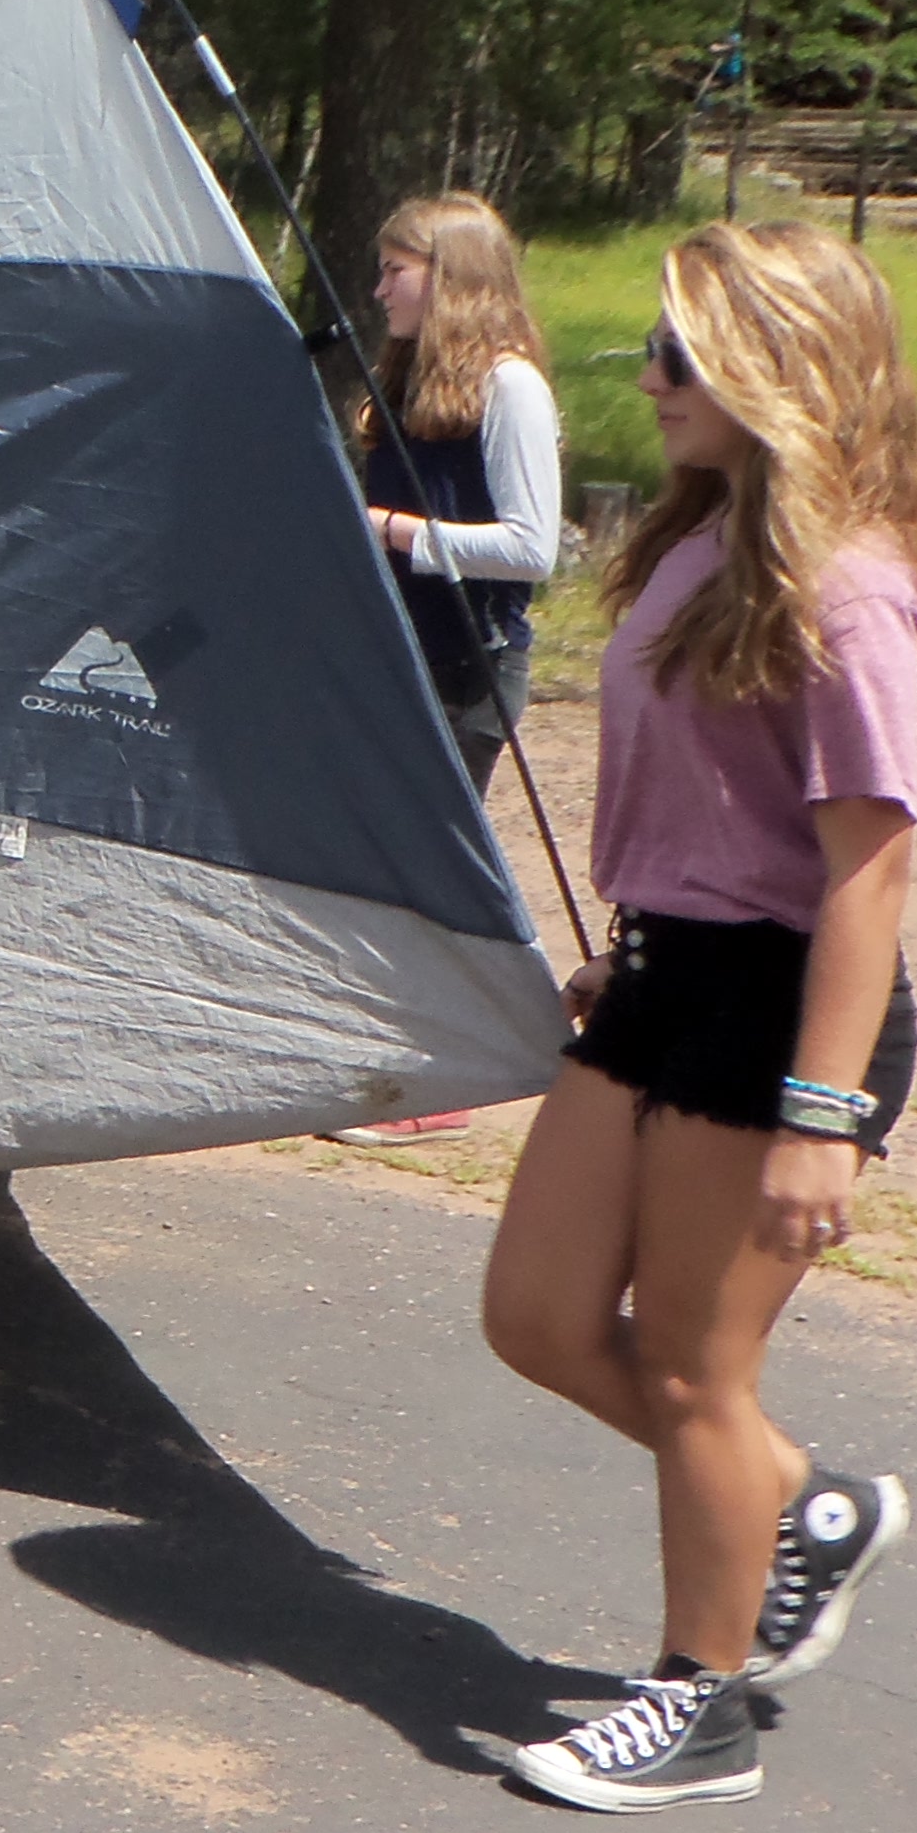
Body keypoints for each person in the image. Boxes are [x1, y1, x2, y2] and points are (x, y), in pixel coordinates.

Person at [478, 219, 917, 1810]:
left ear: (778, 363)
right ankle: (800, 1507)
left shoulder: (851, 585)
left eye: (680, 352)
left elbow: (869, 869)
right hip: (664, 973)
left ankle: (701, 1705)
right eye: (655, 348)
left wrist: (824, 1114)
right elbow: (703, 800)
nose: (650, 376)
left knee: (690, 1371)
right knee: (537, 1315)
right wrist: (634, 935)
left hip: (778, 1010)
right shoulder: (696, 540)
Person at [338, 189, 562, 1141]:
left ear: (451, 278)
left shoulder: (511, 387)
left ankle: (442, 1083)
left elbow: (531, 547)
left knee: (436, 865)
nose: (380, 289)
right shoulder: (405, 381)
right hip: (405, 658)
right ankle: (382, 1058)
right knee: (383, 852)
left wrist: (393, 531)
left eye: (397, 270)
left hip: (471, 666)